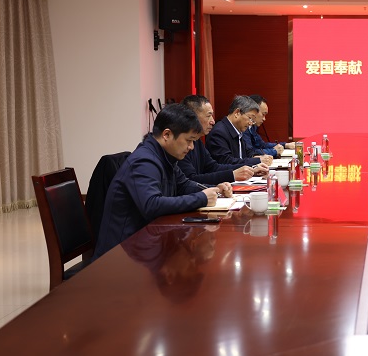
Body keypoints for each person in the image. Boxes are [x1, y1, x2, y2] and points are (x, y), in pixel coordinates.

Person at [93, 104, 232, 260]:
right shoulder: (144, 161)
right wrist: (202, 198)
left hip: (146, 245)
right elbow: (152, 205)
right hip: (121, 256)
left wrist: (215, 189)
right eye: (189, 140)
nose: (191, 147)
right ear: (167, 134)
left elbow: (184, 184)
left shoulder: (165, 156)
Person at [178, 95, 269, 184]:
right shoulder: (218, 132)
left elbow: (213, 167)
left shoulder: (197, 141)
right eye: (208, 116)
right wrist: (233, 175)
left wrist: (251, 169)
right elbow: (190, 180)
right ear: (193, 117)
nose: (213, 121)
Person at [206, 95, 273, 167]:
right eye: (250, 118)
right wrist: (257, 160)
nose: (250, 123)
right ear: (237, 113)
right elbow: (227, 162)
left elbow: (247, 153)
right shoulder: (219, 132)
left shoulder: (238, 130)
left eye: (253, 120)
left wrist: (257, 157)